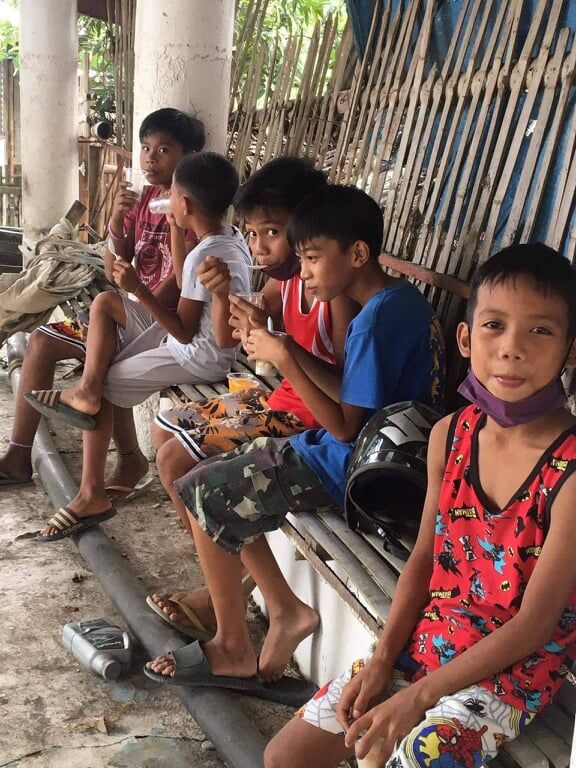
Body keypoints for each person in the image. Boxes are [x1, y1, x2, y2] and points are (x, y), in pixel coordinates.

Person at [263, 243, 576, 768]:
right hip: (429, 639)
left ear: (569, 350)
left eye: (540, 330)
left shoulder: (569, 469)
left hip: (510, 673)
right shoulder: (449, 436)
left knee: (412, 757)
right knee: (285, 756)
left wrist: (416, 698)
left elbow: (534, 626)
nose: (512, 348)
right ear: (466, 337)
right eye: (494, 325)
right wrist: (384, 661)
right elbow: (425, 559)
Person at [145, 184, 444, 685]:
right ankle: (282, 611)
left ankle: (235, 646)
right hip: (377, 452)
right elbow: (354, 399)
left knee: (200, 487)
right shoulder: (400, 303)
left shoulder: (372, 322)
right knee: (207, 477)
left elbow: (347, 424)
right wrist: (284, 346)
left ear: (357, 254)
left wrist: (282, 357)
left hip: (353, 469)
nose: (301, 271)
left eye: (311, 258)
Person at [147, 157, 358, 641]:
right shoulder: (283, 282)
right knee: (163, 427)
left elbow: (346, 387)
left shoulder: (334, 294)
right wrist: (226, 299)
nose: (259, 246)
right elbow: (228, 338)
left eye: (272, 232)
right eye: (253, 233)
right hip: (280, 400)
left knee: (178, 461)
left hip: (310, 421)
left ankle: (255, 597)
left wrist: (278, 346)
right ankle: (231, 579)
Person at [26, 151, 251, 541]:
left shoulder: (209, 253)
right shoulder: (226, 237)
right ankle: (86, 391)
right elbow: (185, 281)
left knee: (109, 384)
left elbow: (182, 330)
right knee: (106, 303)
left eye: (174, 194)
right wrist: (177, 231)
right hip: (194, 334)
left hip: (200, 354)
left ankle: (90, 492)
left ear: (184, 202)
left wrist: (138, 290)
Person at [0, 107, 204, 495]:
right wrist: (115, 222)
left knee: (102, 354)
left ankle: (127, 459)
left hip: (160, 323)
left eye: (164, 149)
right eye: (146, 148)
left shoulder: (190, 210)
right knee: (43, 340)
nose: (150, 157)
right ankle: (18, 456)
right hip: (132, 310)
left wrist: (133, 303)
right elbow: (114, 266)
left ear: (189, 157)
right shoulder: (145, 201)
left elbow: (180, 285)